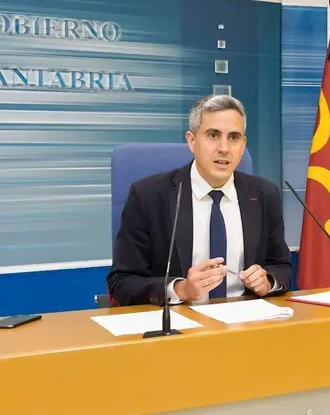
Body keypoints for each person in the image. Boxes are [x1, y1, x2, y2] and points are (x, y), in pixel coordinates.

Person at [107, 94, 292, 306]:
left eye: (233, 137)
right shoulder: (148, 195)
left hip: (246, 323)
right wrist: (180, 289)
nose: (224, 148)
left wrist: (267, 280)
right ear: (192, 141)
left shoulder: (264, 195)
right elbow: (121, 282)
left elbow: (281, 267)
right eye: (213, 135)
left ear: (243, 145)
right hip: (179, 324)